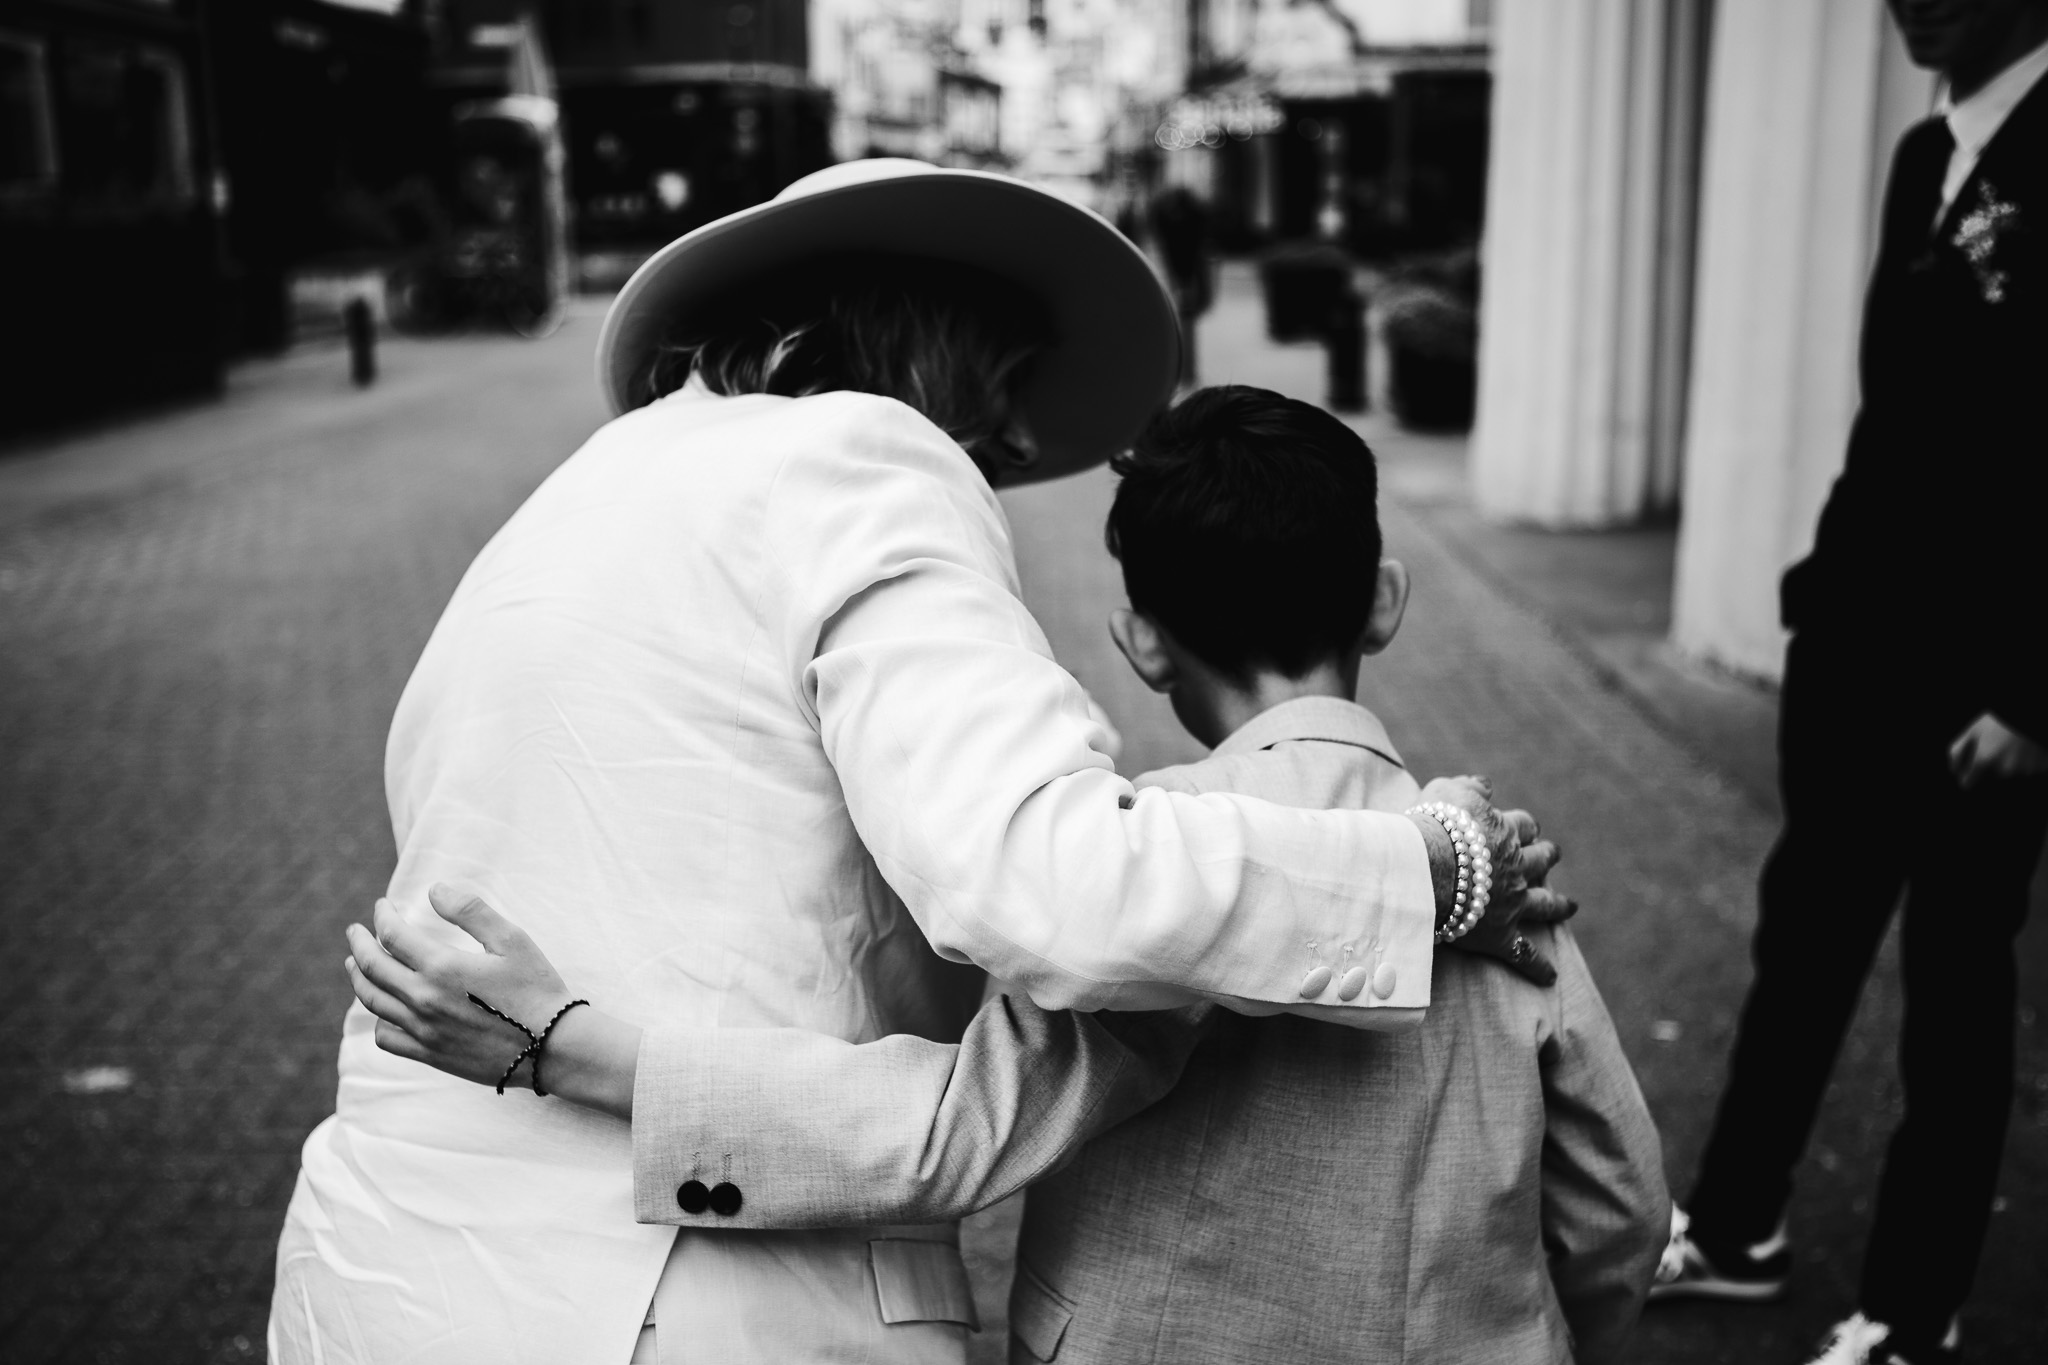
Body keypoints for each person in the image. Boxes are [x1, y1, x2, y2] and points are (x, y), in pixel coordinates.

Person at [272, 160, 1567, 1365]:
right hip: (676, 1298)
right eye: (1011, 389)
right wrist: (1429, 869)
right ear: (938, 356)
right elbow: (1053, 888)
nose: (1008, 451)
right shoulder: (867, 459)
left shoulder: (566, 506)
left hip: (384, 1267)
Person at [1655, 4, 2048, 1363]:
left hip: (1985, 700)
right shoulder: (1916, 154)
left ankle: (1911, 1307)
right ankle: (1737, 1225)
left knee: (1954, 999)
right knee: (1801, 954)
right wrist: (1817, 598)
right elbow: (1896, 418)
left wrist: (2038, 700)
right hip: (1859, 655)